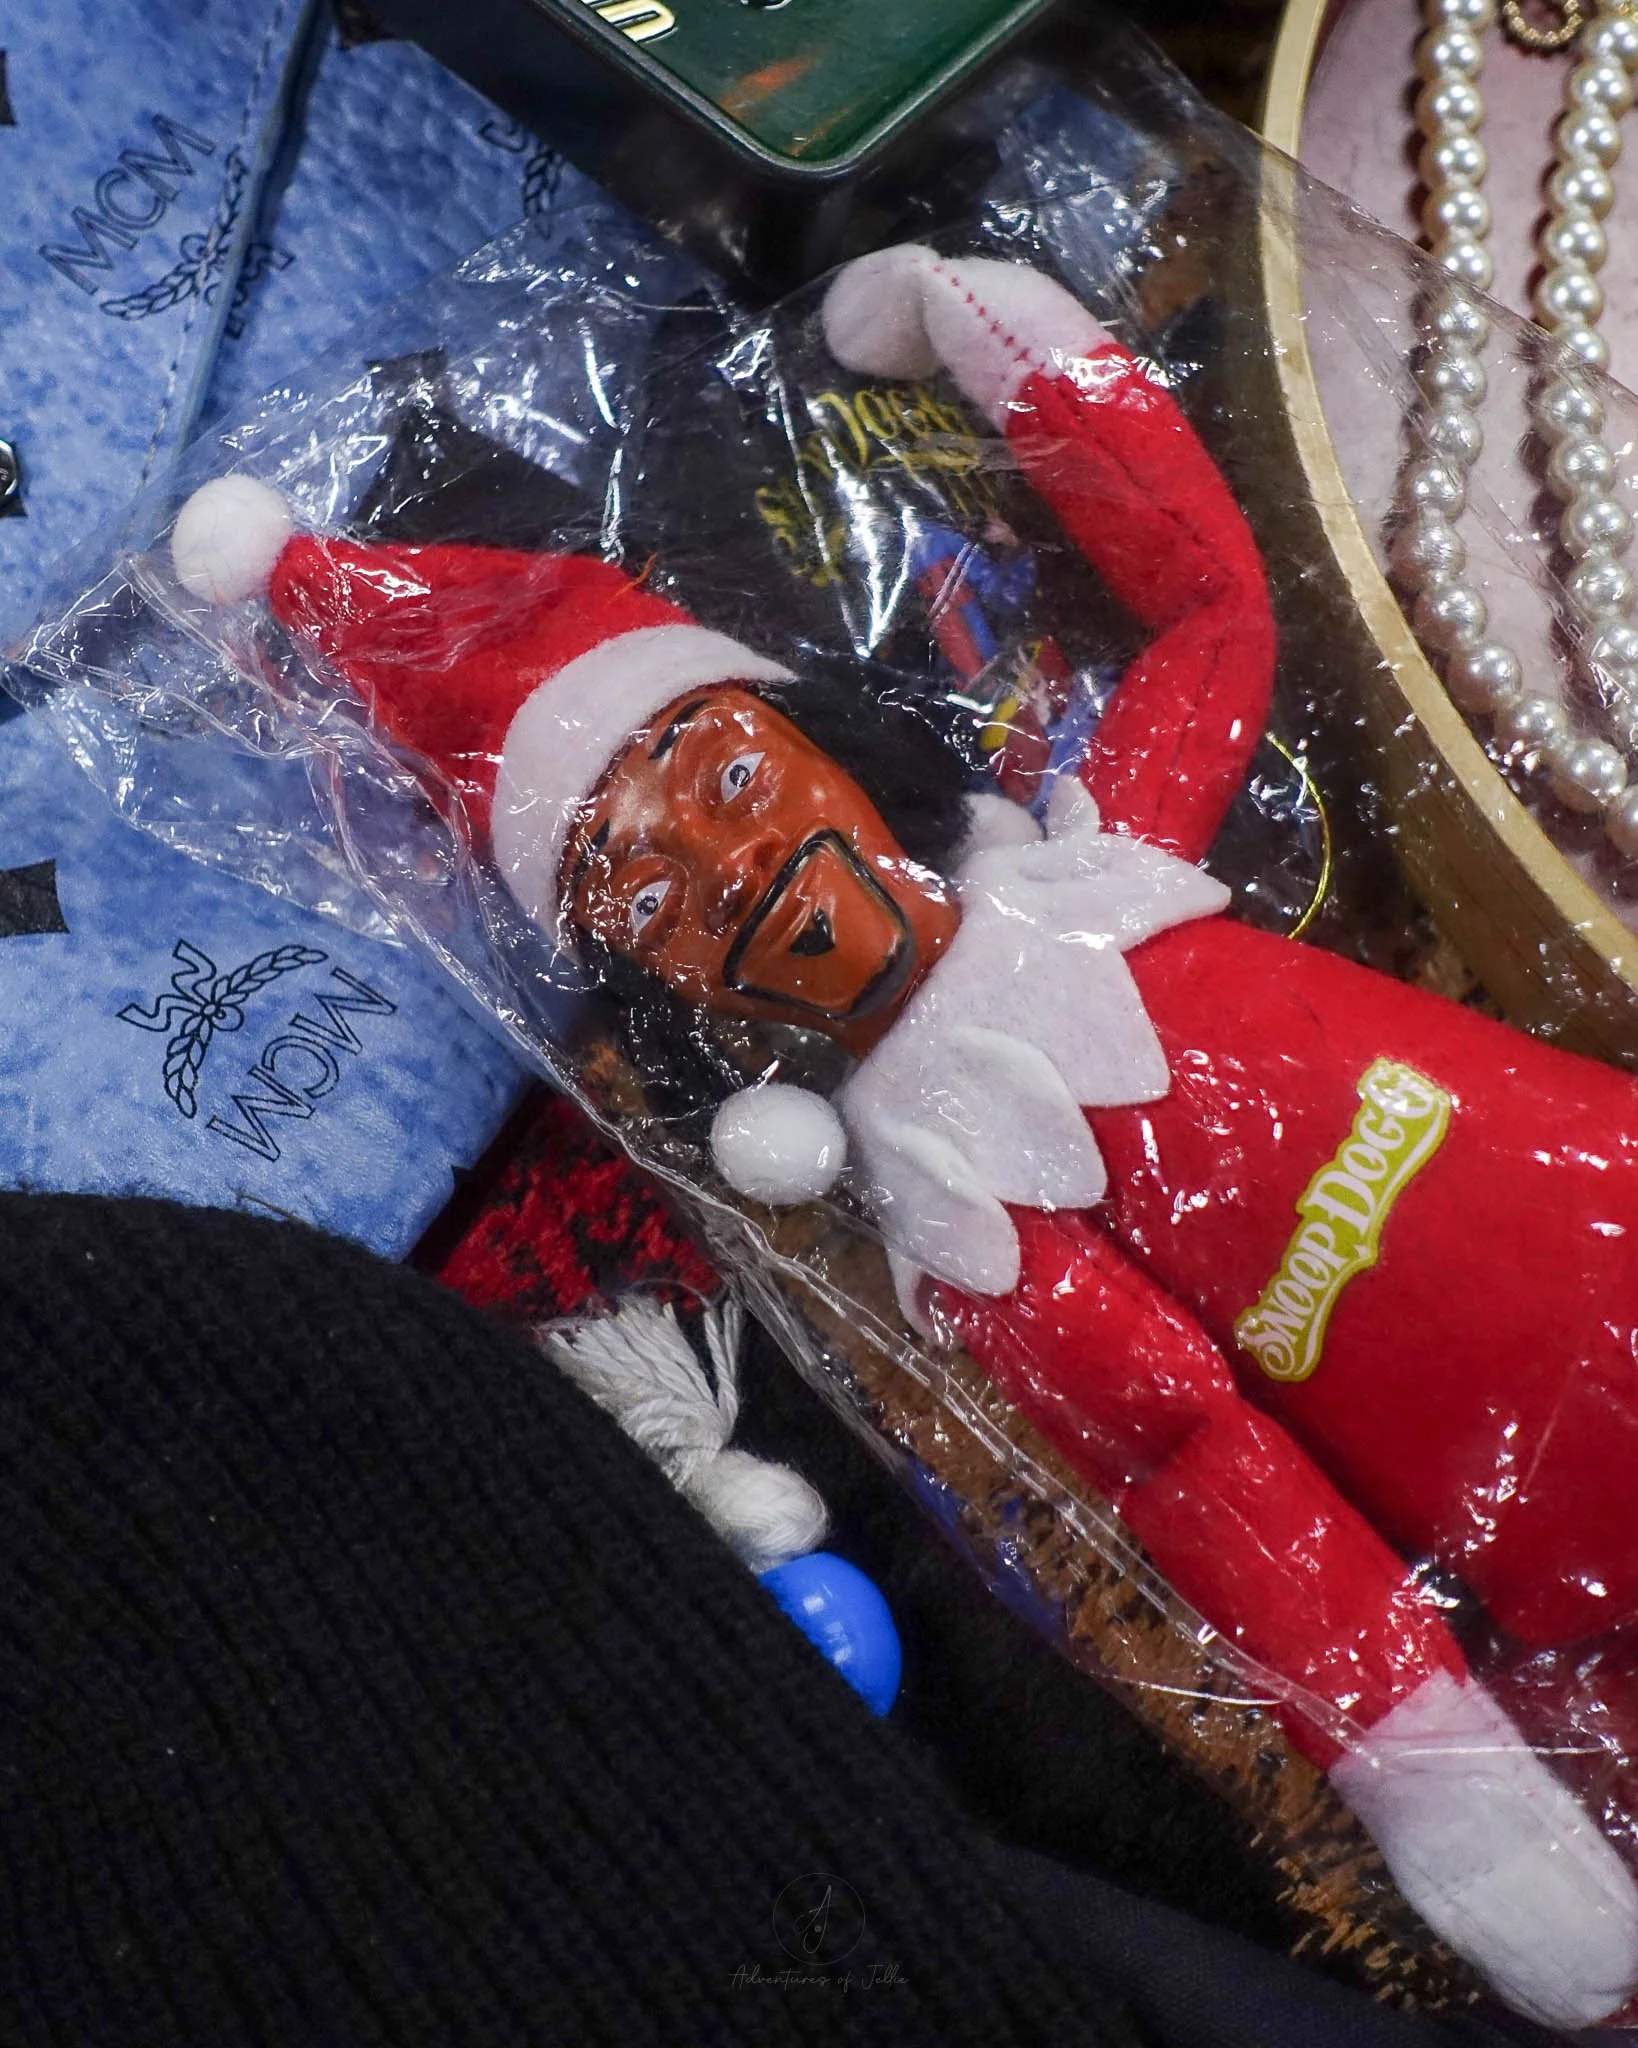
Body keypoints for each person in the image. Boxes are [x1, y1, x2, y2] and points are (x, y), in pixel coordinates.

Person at [167, 243, 1638, 2027]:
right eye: (639, 879)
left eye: (722, 775)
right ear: (663, 987)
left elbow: (1210, 609)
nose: (727, 858)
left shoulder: (1115, 862)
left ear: (826, 742)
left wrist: (994, 335)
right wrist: (1443, 1779)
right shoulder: (967, 1236)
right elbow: (1195, 1466)